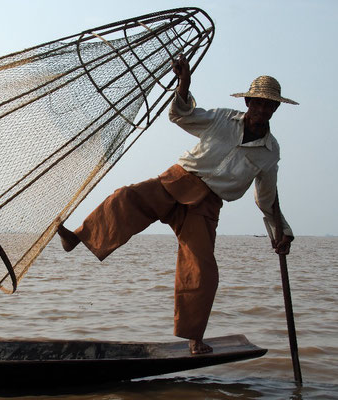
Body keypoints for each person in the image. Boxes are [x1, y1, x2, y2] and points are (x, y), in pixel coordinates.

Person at [57, 55, 297, 354]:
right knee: (126, 197)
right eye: (257, 103)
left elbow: (267, 197)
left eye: (268, 105)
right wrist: (184, 83)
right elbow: (183, 116)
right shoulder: (223, 118)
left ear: (274, 109)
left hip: (205, 204)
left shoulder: (269, 152)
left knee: (202, 269)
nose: (261, 109)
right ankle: (78, 237)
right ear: (248, 103)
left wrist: (281, 231)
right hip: (177, 180)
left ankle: (194, 337)